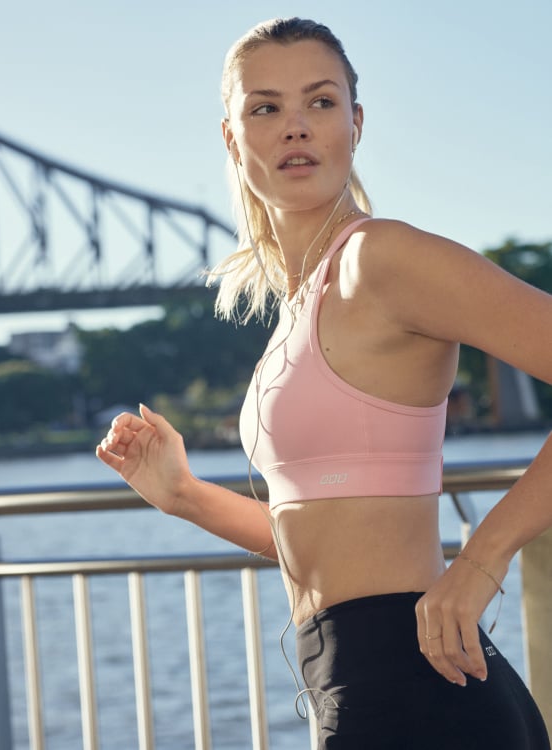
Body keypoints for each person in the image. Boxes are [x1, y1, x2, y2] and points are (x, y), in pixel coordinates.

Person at [97, 17, 552, 749]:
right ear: (230, 137)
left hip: (421, 689)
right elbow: (327, 536)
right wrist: (182, 496)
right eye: (265, 108)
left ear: (355, 122)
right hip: (352, 682)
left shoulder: (381, 259)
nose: (294, 129)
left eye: (319, 102)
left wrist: (478, 563)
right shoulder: (299, 306)